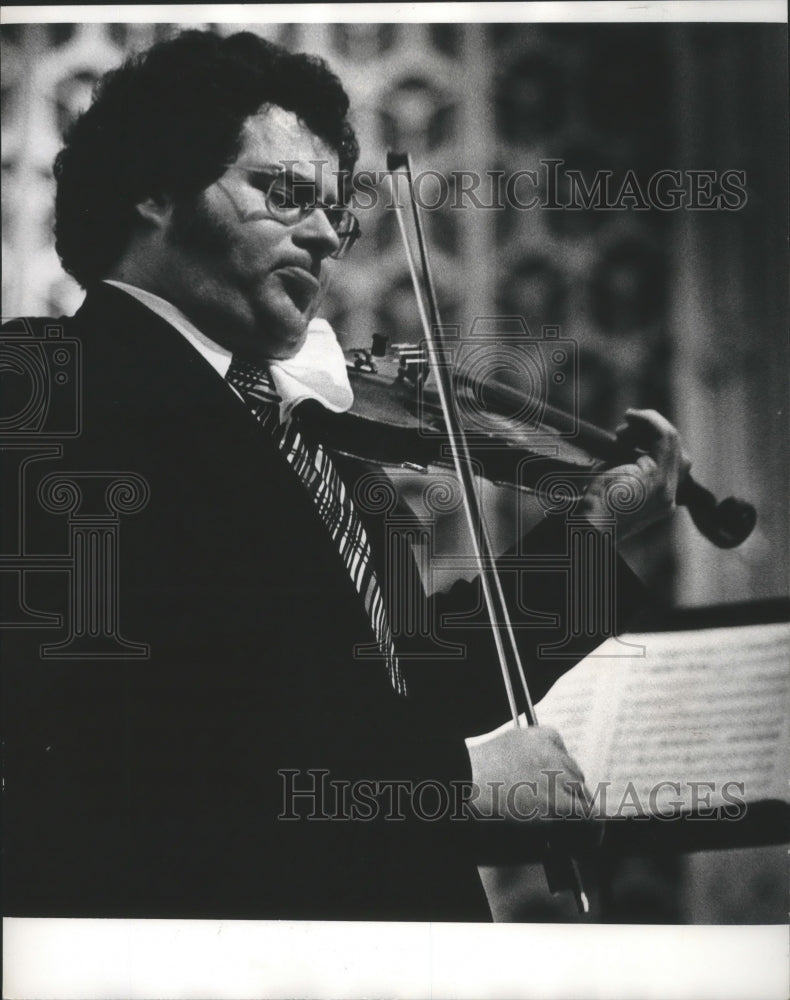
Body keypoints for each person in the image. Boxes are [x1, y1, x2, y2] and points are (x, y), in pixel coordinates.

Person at [1, 30, 688, 922]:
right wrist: (451, 786)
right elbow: (128, 744)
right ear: (155, 192)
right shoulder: (45, 386)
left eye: (337, 211)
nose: (327, 235)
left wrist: (599, 527)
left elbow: (411, 691)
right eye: (285, 195)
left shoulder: (303, 434)